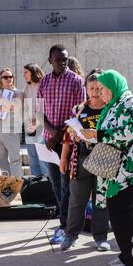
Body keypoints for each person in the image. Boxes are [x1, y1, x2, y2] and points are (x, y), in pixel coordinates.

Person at [81, 70, 133, 266]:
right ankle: (131, 255)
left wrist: (97, 134)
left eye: (102, 88)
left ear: (113, 86)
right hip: (120, 169)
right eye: (97, 89)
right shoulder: (115, 103)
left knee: (121, 211)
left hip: (132, 167)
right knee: (119, 212)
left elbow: (128, 132)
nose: (99, 93)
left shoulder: (129, 102)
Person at [37, 44, 86, 244]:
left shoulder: (77, 81)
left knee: (67, 184)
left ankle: (65, 226)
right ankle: (63, 219)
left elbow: (80, 113)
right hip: (49, 140)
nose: (62, 62)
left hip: (69, 140)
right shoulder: (44, 82)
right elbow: (39, 111)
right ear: (50, 61)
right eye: (58, 59)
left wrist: (61, 134)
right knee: (55, 182)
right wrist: (52, 132)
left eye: (65, 59)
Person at [59, 69, 110, 252]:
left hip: (104, 159)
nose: (95, 92)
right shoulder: (79, 109)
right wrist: (63, 159)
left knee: (100, 200)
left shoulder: (110, 109)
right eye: (92, 88)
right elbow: (68, 136)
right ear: (86, 89)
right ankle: (71, 236)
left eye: (99, 88)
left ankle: (101, 237)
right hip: (81, 159)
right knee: (76, 200)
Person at [0, 68, 24, 177]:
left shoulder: (18, 93)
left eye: (11, 77)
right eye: (5, 77)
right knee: (1, 161)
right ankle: (8, 186)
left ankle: (18, 185)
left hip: (11, 131)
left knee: (15, 160)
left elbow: (15, 106)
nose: (9, 79)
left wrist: (1, 103)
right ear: (0, 80)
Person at [22, 63, 48, 176]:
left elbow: (45, 107)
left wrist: (36, 123)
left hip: (41, 125)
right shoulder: (27, 87)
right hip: (29, 126)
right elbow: (26, 107)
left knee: (43, 158)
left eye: (26, 72)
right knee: (32, 156)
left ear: (33, 72)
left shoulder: (43, 86)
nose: (24, 75)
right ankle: (35, 183)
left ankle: (47, 184)